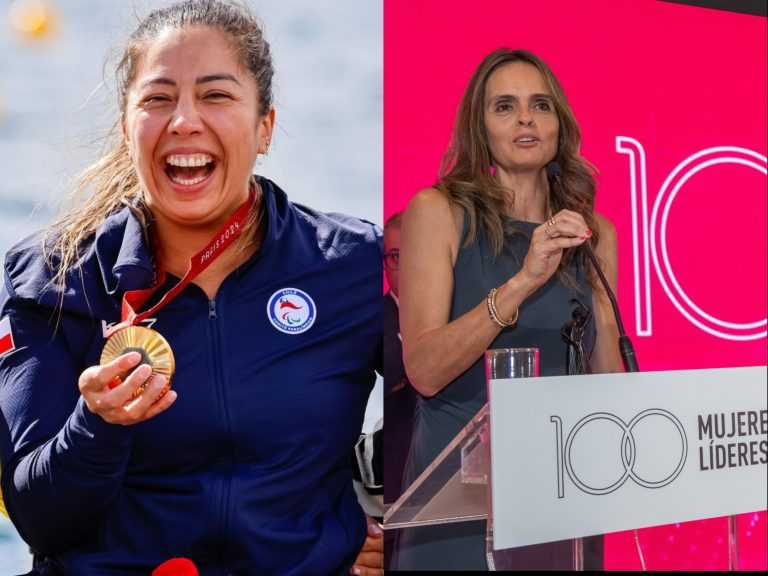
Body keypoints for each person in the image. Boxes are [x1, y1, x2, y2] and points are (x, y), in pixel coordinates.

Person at [0, 1, 382, 574]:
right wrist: (97, 425)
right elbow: (38, 518)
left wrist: (392, 522)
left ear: (265, 129)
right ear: (128, 128)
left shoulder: (354, 264)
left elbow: (457, 413)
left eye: (216, 95)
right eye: (157, 99)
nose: (183, 121)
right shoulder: (52, 279)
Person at [392, 48, 623, 571]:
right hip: (460, 511)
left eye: (540, 105)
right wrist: (524, 280)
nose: (525, 118)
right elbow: (424, 371)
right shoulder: (439, 210)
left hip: (562, 502)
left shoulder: (593, 231)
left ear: (558, 125)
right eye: (504, 106)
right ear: (481, 127)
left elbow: (606, 378)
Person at [381, 211, 418, 569]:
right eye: (395, 256)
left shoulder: (468, 317)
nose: (405, 266)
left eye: (415, 252)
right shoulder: (370, 320)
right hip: (393, 496)